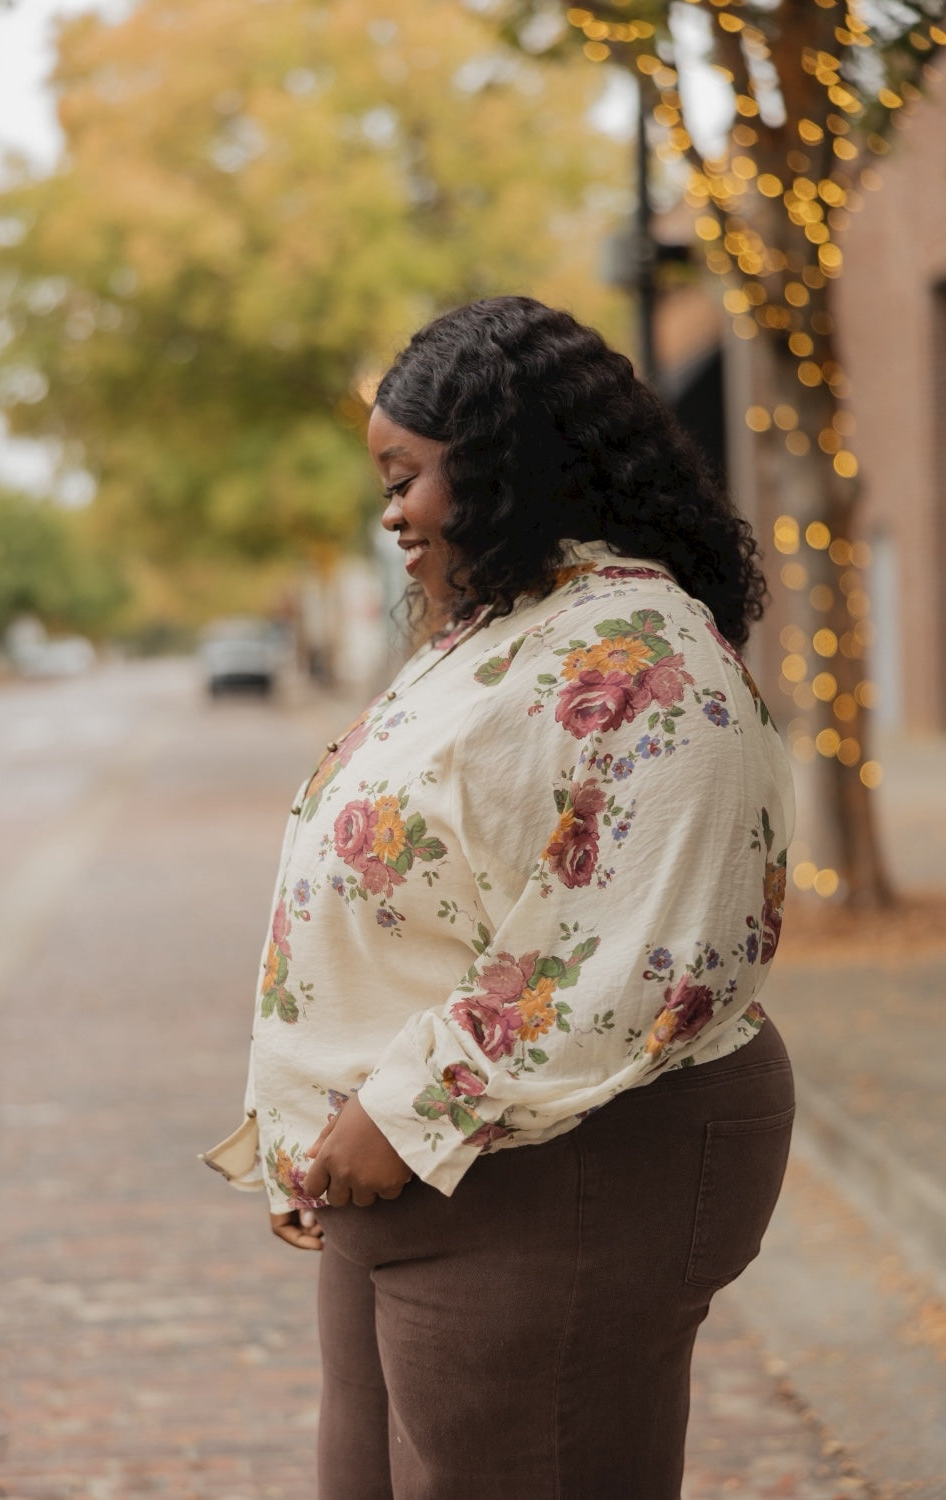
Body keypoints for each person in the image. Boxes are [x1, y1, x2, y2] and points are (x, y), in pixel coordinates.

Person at [202, 296, 796, 1500]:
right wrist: (313, 1123)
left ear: (505, 464)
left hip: (551, 1163)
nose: (389, 512)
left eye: (407, 474)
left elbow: (636, 955)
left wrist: (405, 1110)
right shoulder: (499, 630)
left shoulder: (647, 652)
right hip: (417, 1158)